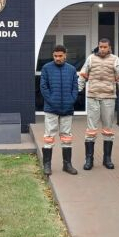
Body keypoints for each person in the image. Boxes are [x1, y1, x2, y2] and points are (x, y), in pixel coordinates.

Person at [78, 39, 119, 170]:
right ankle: (89, 159)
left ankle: (107, 159)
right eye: (100, 47)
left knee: (108, 129)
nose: (102, 49)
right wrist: (78, 89)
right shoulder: (90, 58)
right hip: (93, 96)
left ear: (109, 47)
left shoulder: (115, 59)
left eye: (105, 47)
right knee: (91, 129)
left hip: (108, 97)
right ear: (98, 46)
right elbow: (83, 75)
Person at [39, 45, 79, 175]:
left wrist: (71, 100)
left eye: (60, 56)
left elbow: (75, 88)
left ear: (65, 55)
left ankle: (67, 165)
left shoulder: (72, 69)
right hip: (51, 108)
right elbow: (43, 88)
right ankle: (47, 165)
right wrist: (53, 102)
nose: (58, 58)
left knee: (66, 137)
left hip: (67, 108)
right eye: (55, 56)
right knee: (49, 136)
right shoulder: (46, 68)